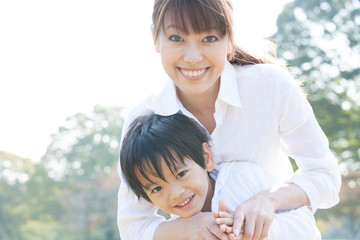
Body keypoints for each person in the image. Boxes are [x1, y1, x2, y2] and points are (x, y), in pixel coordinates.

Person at [117, 0, 341, 239]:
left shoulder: (270, 86)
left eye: (209, 38)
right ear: (155, 38)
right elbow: (133, 226)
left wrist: (267, 201)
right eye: (176, 38)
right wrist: (190, 227)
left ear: (229, 40)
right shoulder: (143, 121)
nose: (192, 57)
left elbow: (325, 175)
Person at [120, 113, 322, 240]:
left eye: (181, 173)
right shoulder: (178, 229)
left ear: (206, 157)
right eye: (156, 188)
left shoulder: (242, 177)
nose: (175, 194)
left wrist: (257, 230)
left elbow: (305, 225)